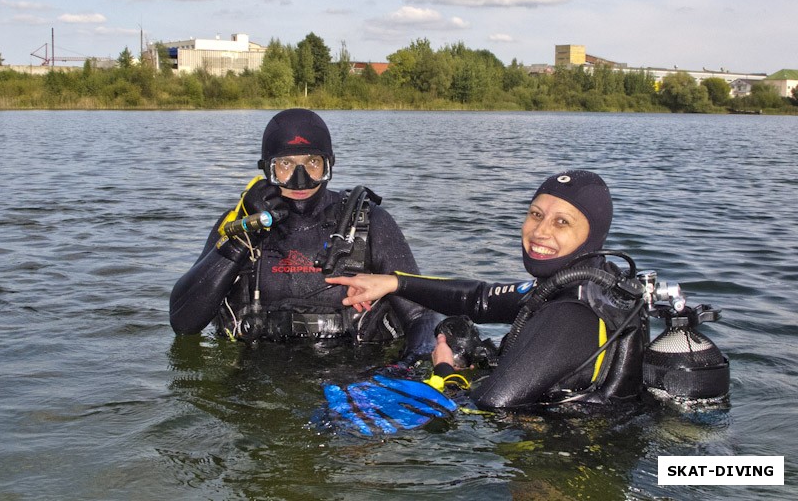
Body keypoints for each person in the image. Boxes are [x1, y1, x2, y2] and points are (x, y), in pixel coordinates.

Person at [327, 170, 646, 410]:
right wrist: (395, 282)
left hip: (562, 471)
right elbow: (478, 299)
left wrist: (444, 369)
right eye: (536, 214)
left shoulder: (571, 314)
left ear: (593, 234)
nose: (540, 231)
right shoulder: (587, 281)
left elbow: (490, 405)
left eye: (562, 222)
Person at [170, 108, 439, 363]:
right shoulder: (239, 225)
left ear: (329, 165)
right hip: (257, 381)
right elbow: (183, 323)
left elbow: (421, 318)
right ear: (267, 169)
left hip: (353, 377)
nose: (301, 180)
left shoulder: (371, 223)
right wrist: (243, 237)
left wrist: (407, 369)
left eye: (312, 162)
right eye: (285, 164)